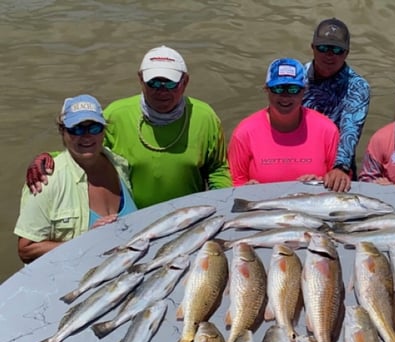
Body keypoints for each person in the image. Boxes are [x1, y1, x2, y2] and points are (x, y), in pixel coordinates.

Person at [25, 45, 231, 208]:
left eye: (169, 84)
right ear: (140, 80)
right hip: (130, 220)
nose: (161, 91)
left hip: (188, 217)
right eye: (153, 83)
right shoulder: (116, 114)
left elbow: (217, 168)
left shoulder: (206, 117)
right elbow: (86, 148)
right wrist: (49, 158)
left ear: (185, 82)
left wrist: (224, 203)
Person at [15, 95, 137, 263]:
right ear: (62, 132)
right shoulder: (45, 180)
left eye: (94, 128)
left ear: (103, 130)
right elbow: (26, 249)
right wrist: (86, 241)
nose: (86, 136)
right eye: (76, 129)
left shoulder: (120, 165)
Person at [227, 58, 340, 186]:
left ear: (304, 91)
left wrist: (320, 182)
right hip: (261, 204)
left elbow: (338, 177)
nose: (285, 96)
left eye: (293, 89)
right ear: (267, 90)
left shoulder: (327, 130)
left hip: (310, 203)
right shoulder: (244, 132)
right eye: (279, 89)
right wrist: (246, 188)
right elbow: (235, 181)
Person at [302, 18, 370, 191]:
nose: (329, 55)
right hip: (301, 158)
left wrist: (340, 167)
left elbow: (350, 129)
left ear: (346, 53)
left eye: (337, 50)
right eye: (323, 48)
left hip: (339, 165)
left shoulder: (357, 86)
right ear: (312, 48)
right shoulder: (297, 78)